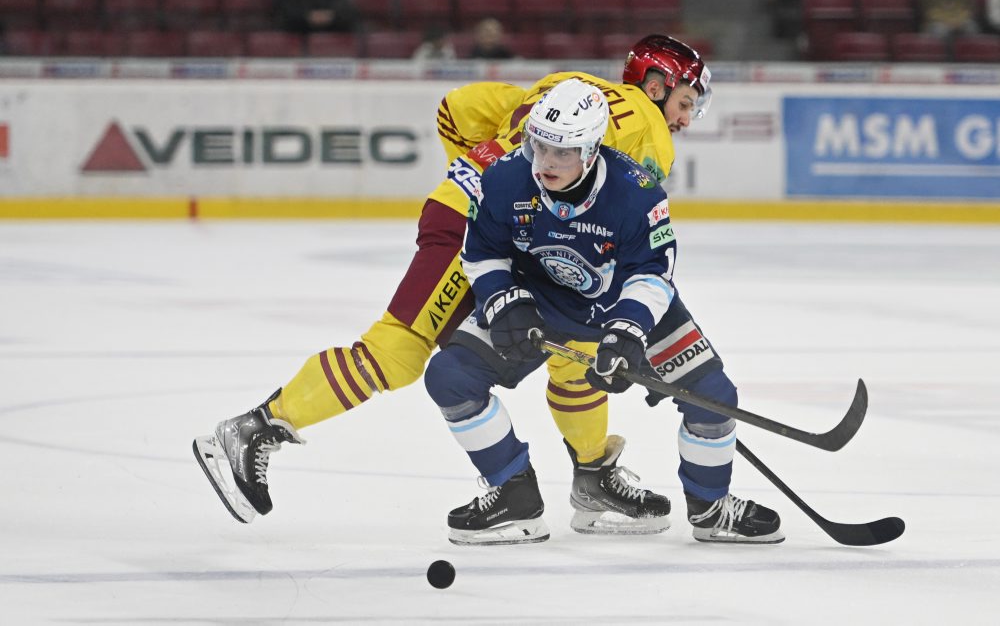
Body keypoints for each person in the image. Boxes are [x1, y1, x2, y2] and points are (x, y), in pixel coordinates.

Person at [193, 35, 709, 534]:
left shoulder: (566, 86)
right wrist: (638, 334)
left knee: (575, 345)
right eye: (685, 102)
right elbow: (626, 232)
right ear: (657, 84)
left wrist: (473, 174)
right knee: (397, 352)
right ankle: (254, 427)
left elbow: (458, 109)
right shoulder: (648, 132)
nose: (685, 119)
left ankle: (593, 473)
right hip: (483, 229)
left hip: (480, 214)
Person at [425, 77, 784, 546]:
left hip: (623, 302)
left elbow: (653, 274)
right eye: (539, 146)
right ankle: (515, 498)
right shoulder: (505, 177)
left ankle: (711, 508)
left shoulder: (637, 193)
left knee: (714, 397)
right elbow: (482, 251)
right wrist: (503, 299)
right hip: (542, 299)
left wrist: (627, 333)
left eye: (563, 152)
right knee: (450, 377)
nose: (545, 163)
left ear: (592, 150)